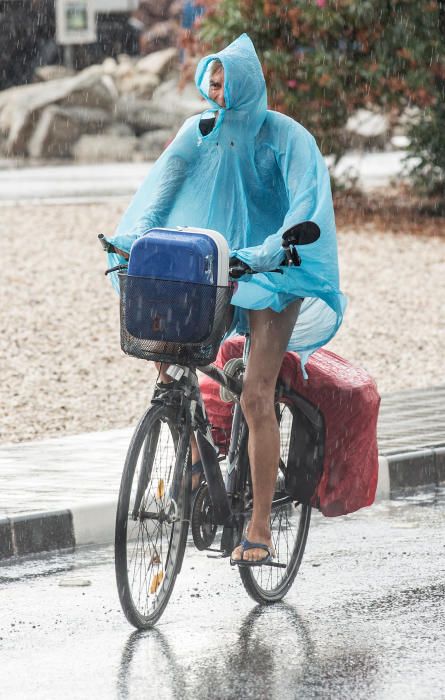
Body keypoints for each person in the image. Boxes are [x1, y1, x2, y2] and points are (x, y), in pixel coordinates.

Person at [106, 34, 346, 565]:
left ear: (247, 81)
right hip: (215, 264)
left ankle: (259, 527)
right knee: (165, 355)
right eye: (211, 80)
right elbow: (159, 193)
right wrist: (135, 243)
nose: (217, 89)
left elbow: (304, 205)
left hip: (275, 273)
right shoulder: (199, 132)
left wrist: (267, 252)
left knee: (256, 395)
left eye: (225, 79)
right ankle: (195, 456)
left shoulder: (286, 136)